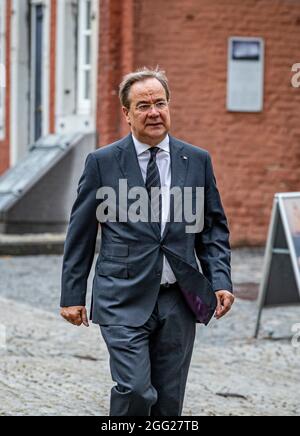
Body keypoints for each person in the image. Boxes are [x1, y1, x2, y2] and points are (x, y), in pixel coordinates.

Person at [60, 67, 235, 416]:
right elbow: (80, 232)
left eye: (160, 103)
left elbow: (212, 228)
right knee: (136, 390)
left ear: (169, 106)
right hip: (121, 296)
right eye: (143, 105)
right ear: (126, 114)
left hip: (178, 299)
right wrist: (72, 295)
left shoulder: (196, 160)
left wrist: (220, 280)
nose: (154, 112)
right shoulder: (102, 163)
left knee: (169, 402)